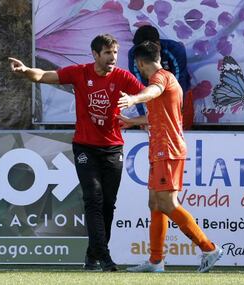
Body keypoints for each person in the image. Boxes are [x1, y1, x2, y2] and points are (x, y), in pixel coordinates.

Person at [9, 34, 144, 272]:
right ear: (95, 54)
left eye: (114, 53)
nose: (113, 58)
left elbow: (148, 97)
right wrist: (25, 71)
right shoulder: (79, 72)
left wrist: (136, 112)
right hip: (85, 147)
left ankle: (93, 257)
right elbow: (43, 76)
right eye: (107, 53)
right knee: (93, 199)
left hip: (113, 148)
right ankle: (105, 258)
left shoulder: (123, 76)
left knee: (108, 204)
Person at [117, 41, 223, 273]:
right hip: (160, 149)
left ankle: (209, 248)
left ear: (140, 63)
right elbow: (160, 115)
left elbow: (152, 92)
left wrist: (134, 99)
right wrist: (132, 121)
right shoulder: (166, 79)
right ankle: (156, 262)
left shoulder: (160, 78)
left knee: (167, 203)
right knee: (155, 203)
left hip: (169, 149)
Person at [127, 25, 193, 130]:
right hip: (151, 102)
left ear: (157, 45)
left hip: (178, 97)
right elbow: (138, 87)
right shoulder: (134, 54)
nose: (142, 57)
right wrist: (143, 120)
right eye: (139, 51)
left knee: (179, 129)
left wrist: (135, 99)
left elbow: (180, 84)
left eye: (145, 52)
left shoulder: (175, 50)